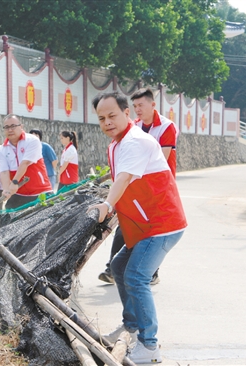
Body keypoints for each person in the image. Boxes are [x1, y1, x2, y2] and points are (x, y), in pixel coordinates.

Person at [88, 91, 187, 364]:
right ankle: (130, 327)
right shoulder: (115, 144)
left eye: (112, 115)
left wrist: (107, 205)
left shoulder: (136, 141)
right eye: (102, 118)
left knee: (136, 277)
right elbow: (119, 181)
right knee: (119, 268)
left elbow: (124, 179)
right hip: (144, 225)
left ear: (127, 113)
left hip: (162, 223)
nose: (108, 122)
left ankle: (149, 345)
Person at [99, 88, 179, 285]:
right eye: (134, 106)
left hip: (155, 189)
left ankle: (149, 271)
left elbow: (162, 156)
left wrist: (111, 200)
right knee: (126, 227)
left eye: (140, 105)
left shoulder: (166, 127)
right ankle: (114, 268)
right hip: (134, 187)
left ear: (153, 105)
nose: (137, 110)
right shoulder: (131, 127)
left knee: (153, 234)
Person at [0, 114, 53, 210]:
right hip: (19, 193)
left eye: (13, 126)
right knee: (8, 216)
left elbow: (25, 163)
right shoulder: (2, 149)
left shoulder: (32, 141)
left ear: (21, 127)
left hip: (40, 191)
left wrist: (15, 182)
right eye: (6, 127)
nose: (10, 130)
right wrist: (6, 190)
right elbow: (4, 172)